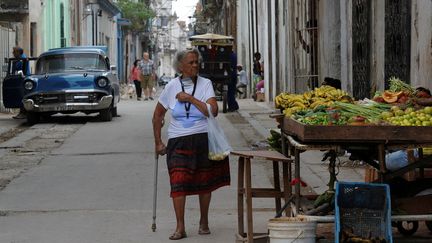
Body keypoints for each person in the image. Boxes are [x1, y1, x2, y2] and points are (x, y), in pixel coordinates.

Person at [152, 48, 230, 240]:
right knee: (178, 181)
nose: (195, 65)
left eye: (197, 62)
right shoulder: (171, 86)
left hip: (202, 138)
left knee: (205, 181)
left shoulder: (206, 84)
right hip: (178, 140)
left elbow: (212, 110)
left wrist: (190, 99)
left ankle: (204, 221)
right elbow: (157, 116)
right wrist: (158, 142)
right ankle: (180, 227)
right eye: (191, 63)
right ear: (181, 66)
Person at [11, 46, 30, 119]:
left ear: (18, 52)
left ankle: (23, 112)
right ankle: (22, 112)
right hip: (22, 78)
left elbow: (18, 68)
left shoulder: (22, 59)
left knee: (22, 95)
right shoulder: (21, 58)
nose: (13, 53)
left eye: (14, 51)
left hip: (23, 79)